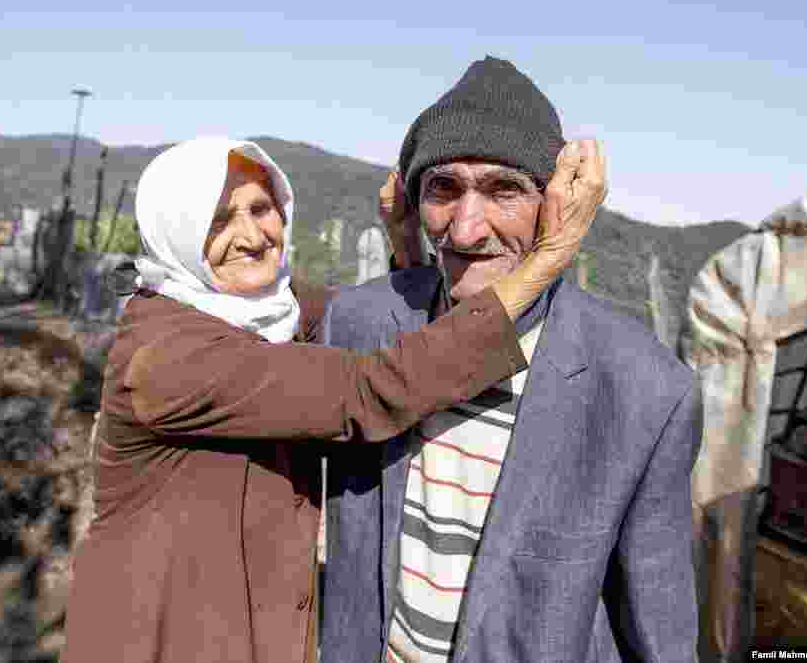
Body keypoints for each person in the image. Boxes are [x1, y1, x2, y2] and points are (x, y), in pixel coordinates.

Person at [60, 134, 607, 663]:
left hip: (253, 627)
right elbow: (368, 388)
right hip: (164, 632)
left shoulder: (278, 310)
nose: (252, 234)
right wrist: (549, 256)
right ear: (175, 233)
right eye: (219, 220)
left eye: (261, 207)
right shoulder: (165, 359)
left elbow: (385, 335)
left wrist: (406, 247)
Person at [321, 56, 703, 662]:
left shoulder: (641, 391)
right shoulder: (360, 325)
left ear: (554, 204)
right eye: (442, 189)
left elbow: (658, 626)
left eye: (504, 190)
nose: (467, 229)